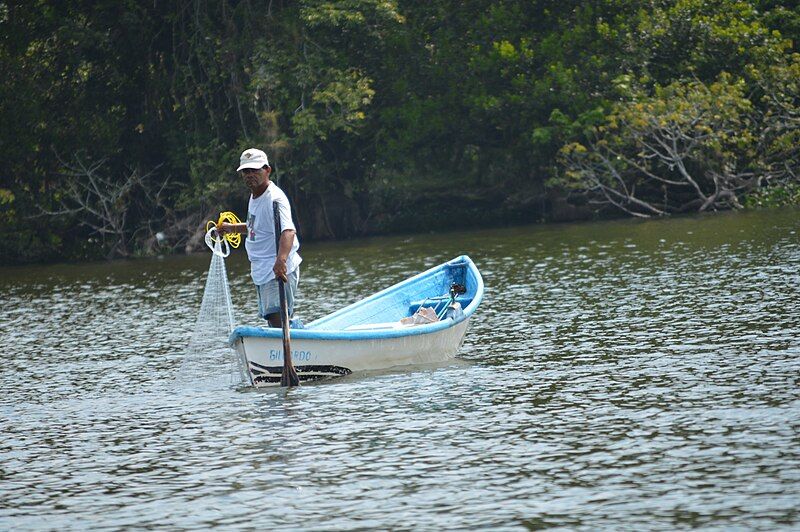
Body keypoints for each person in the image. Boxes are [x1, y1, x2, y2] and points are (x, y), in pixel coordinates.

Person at [217, 148, 301, 328]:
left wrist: (281, 261)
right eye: (246, 171)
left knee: (276, 317)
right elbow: (255, 228)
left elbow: (288, 231)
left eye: (255, 170)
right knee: (271, 317)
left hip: (275, 269)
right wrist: (231, 228)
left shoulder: (274, 199)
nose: (250, 175)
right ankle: (289, 340)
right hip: (261, 270)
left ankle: (290, 348)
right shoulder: (254, 196)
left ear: (267, 170)